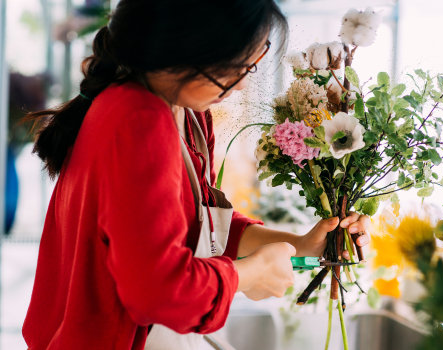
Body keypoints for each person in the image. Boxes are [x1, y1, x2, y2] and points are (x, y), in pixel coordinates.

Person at [23, 0, 370, 349]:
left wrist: (299, 244)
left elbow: (197, 222)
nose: (242, 86)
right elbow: (157, 291)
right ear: (192, 47)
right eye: (239, 67)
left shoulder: (184, 115)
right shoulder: (139, 120)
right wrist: (249, 274)